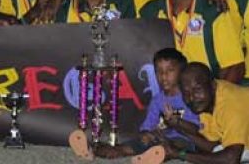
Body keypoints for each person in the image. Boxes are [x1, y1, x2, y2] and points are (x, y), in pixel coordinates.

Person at [69, 48, 204, 163]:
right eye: (159, 71)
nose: (164, 76)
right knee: (128, 147)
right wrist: (147, 135)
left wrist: (177, 123)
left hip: (184, 141)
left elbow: (196, 130)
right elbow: (146, 128)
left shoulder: (188, 97)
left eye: (170, 70)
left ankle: (154, 155)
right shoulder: (157, 100)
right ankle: (90, 149)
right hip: (157, 139)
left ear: (182, 71)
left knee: (172, 146)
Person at [139, 0, 244, 83]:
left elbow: (234, 66)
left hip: (203, 95)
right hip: (163, 94)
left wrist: (214, 100)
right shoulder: (149, 12)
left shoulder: (213, 11)